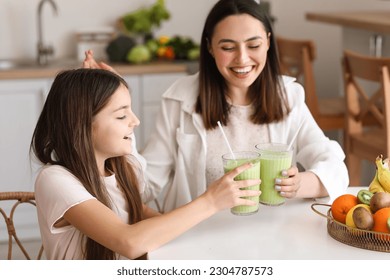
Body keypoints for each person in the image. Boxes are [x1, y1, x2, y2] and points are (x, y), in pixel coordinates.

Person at [84, 0, 349, 213]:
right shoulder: (180, 100)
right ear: (210, 47)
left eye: (254, 45)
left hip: (271, 235)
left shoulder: (289, 96)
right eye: (228, 47)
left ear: (268, 42)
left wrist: (302, 183)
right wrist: (112, 106)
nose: (242, 58)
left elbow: (333, 164)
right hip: (199, 237)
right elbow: (147, 183)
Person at [30, 68, 260, 260]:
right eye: (121, 116)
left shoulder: (119, 168)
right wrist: (210, 201)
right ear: (80, 124)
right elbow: (128, 241)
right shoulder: (55, 180)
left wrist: (204, 233)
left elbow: (137, 212)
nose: (136, 121)